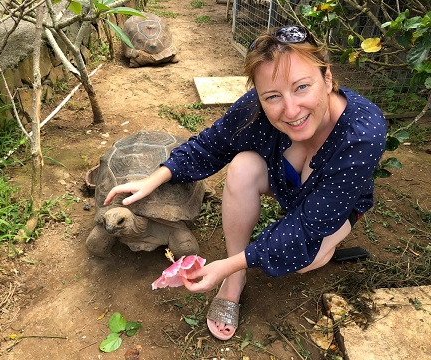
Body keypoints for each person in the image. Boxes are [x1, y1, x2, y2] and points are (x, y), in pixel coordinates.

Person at [104, 25, 387, 341]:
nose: (291, 110)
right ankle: (235, 279)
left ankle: (252, 263)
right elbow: (211, 144)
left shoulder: (362, 134)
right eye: (273, 96)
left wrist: (220, 265)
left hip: (330, 210)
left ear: (328, 77)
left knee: (306, 258)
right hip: (285, 181)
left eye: (303, 87)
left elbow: (307, 227)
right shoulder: (257, 106)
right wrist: (153, 179)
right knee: (242, 167)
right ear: (260, 95)